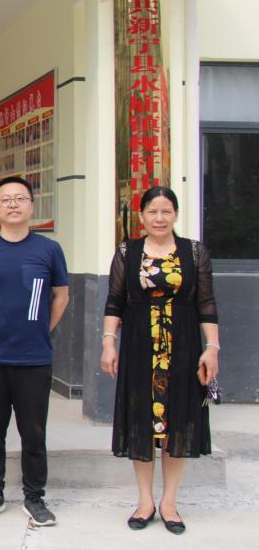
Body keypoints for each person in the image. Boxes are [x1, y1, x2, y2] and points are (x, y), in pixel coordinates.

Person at [100, 186, 219, 535]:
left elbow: (206, 303)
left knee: (178, 420)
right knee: (141, 420)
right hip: (139, 346)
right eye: (152, 211)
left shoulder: (194, 252)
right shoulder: (128, 252)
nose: (159, 218)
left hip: (182, 347)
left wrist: (212, 347)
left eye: (166, 211)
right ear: (141, 216)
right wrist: (109, 343)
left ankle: (169, 502)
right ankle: (144, 501)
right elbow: (114, 300)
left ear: (176, 215)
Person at [0, 175, 69, 527]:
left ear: (31, 206)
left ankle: (34, 497)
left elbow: (61, 295)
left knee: (33, 432)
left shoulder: (48, 250)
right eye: (5, 199)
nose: (12, 204)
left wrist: (41, 328)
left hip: (34, 358)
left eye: (20, 198)